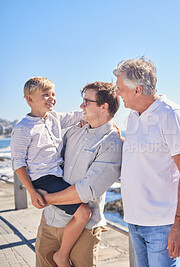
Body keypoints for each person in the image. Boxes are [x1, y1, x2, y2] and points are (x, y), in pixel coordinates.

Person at [113, 57, 180, 267]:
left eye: (120, 88)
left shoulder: (171, 114)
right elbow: (143, 154)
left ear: (137, 90)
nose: (117, 93)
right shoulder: (133, 116)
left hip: (162, 225)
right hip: (134, 220)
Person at [34, 81, 123, 267]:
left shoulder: (112, 143)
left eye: (86, 102)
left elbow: (87, 190)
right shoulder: (74, 132)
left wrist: (47, 198)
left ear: (103, 106)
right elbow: (50, 161)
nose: (81, 106)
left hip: (84, 229)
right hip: (50, 222)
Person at [10, 77, 91, 267]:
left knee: (83, 207)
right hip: (43, 180)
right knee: (84, 213)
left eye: (53, 94)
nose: (51, 98)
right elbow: (18, 163)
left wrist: (104, 122)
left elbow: (78, 115)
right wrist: (32, 192)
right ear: (29, 99)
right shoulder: (22, 128)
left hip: (58, 174)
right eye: (45, 95)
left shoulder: (54, 118)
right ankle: (61, 256)